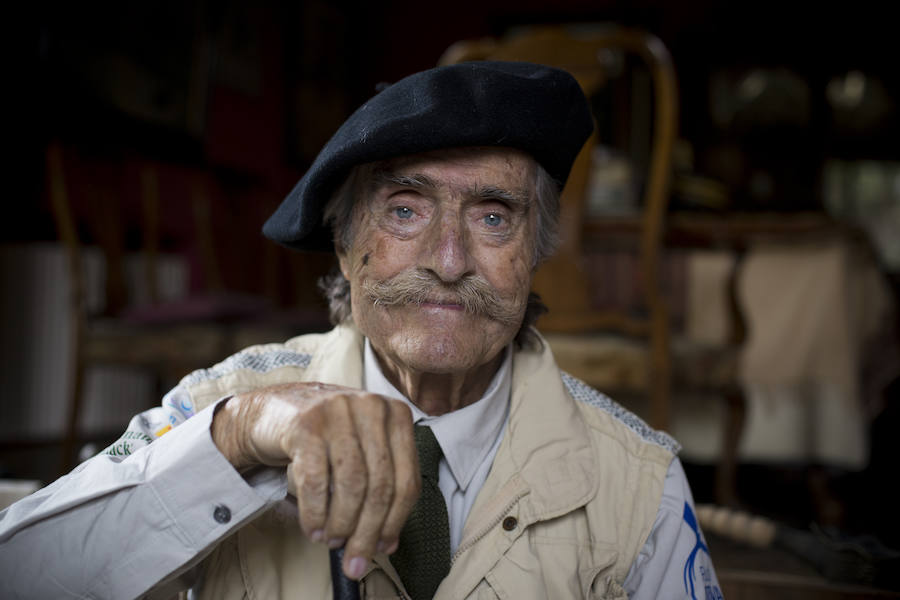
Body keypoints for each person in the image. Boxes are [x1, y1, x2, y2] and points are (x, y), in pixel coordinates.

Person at [0, 61, 721, 599]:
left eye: (493, 217)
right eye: (405, 209)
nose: (448, 260)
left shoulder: (637, 483)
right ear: (344, 243)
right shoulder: (221, 405)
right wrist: (235, 440)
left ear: (534, 256)